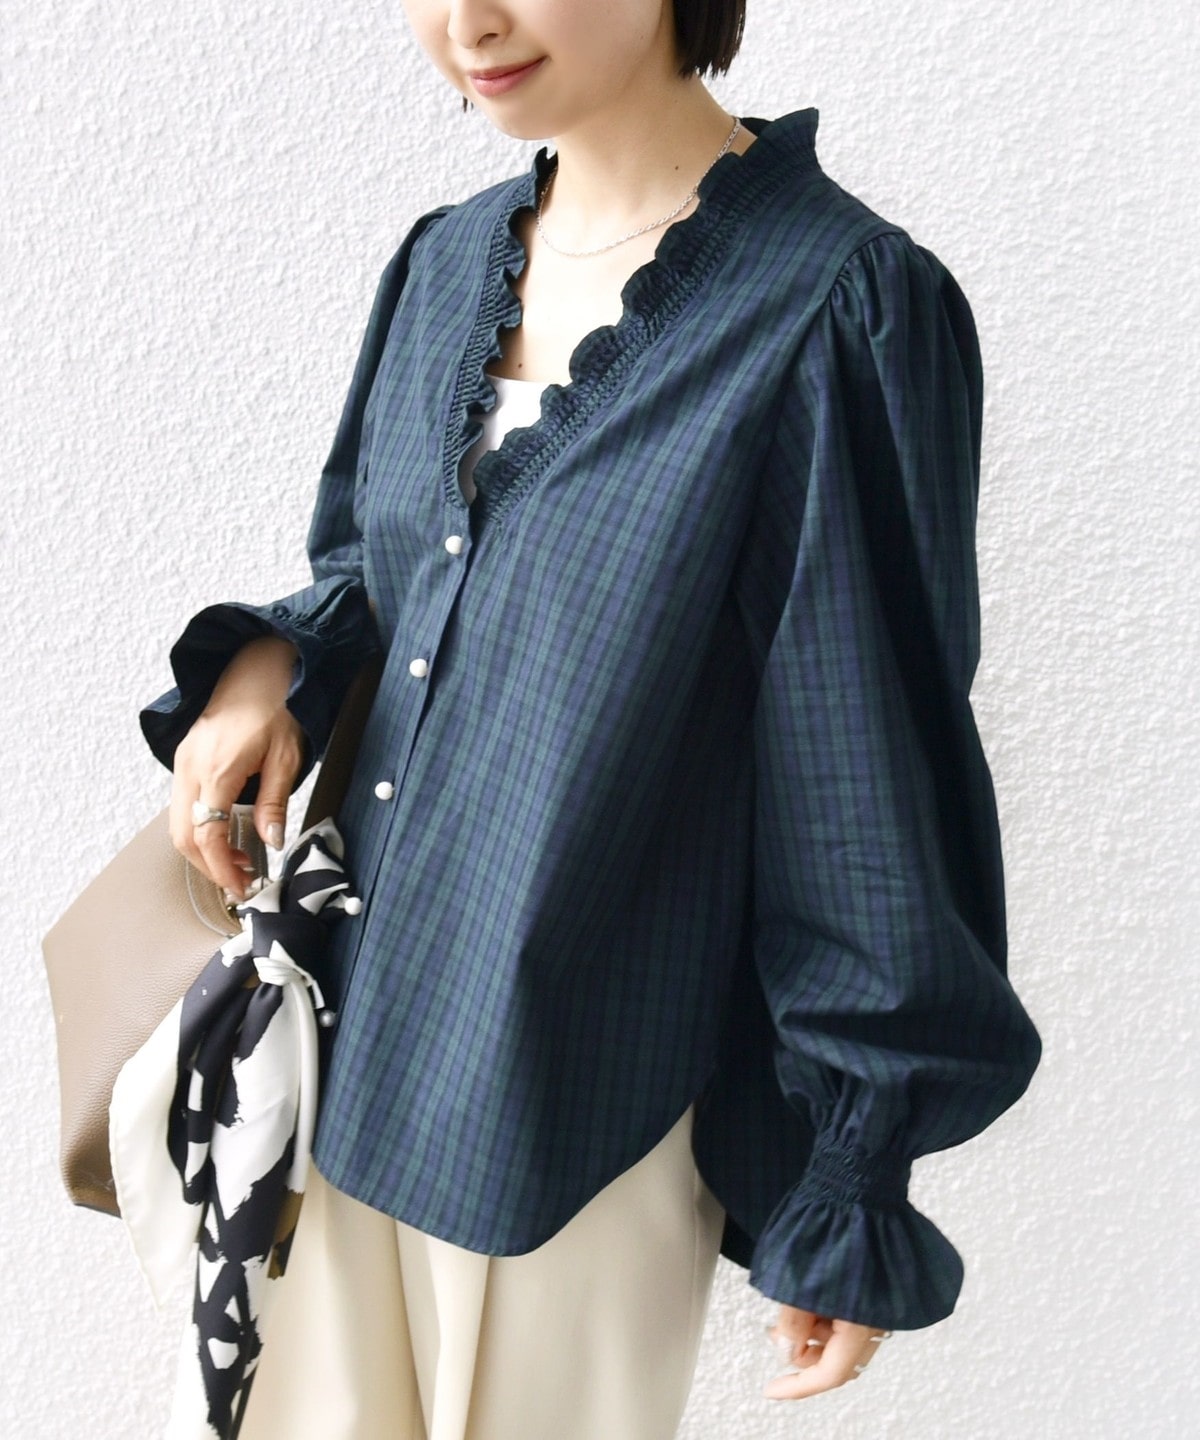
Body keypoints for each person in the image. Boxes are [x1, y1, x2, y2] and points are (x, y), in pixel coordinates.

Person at [139, 1, 1043, 1435]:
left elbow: (860, 767)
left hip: (569, 1104)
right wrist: (268, 672)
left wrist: (853, 1169)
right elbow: (384, 573)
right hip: (338, 1048)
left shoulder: (835, 305)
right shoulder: (446, 261)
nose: (469, 23)